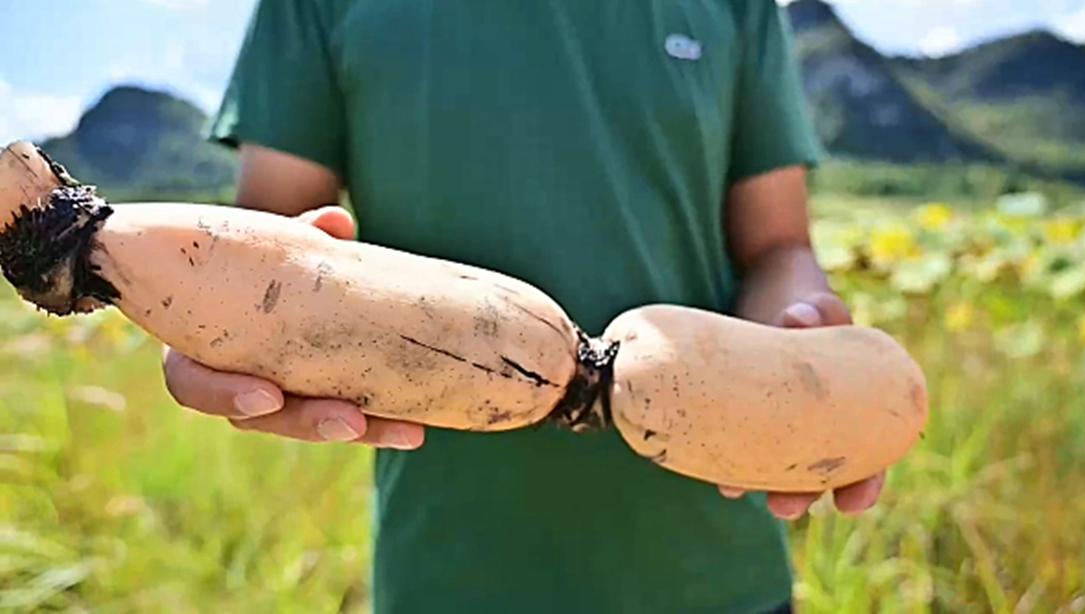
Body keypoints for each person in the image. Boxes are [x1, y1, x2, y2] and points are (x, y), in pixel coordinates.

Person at [162, 1, 889, 611]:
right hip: (449, 575)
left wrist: (795, 341)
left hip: (719, 570)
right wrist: (215, 319)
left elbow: (777, 246)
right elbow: (273, 241)